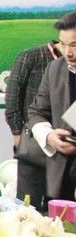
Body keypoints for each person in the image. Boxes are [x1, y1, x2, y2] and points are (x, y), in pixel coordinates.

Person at [4, 40, 61, 210]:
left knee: (59, 206)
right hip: (33, 142)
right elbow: (13, 96)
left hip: (64, 147)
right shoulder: (32, 56)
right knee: (28, 205)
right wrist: (17, 133)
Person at [27, 11, 76, 203]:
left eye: (74, 45)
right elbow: (36, 112)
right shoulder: (54, 69)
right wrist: (49, 137)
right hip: (63, 174)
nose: (68, 52)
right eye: (63, 44)